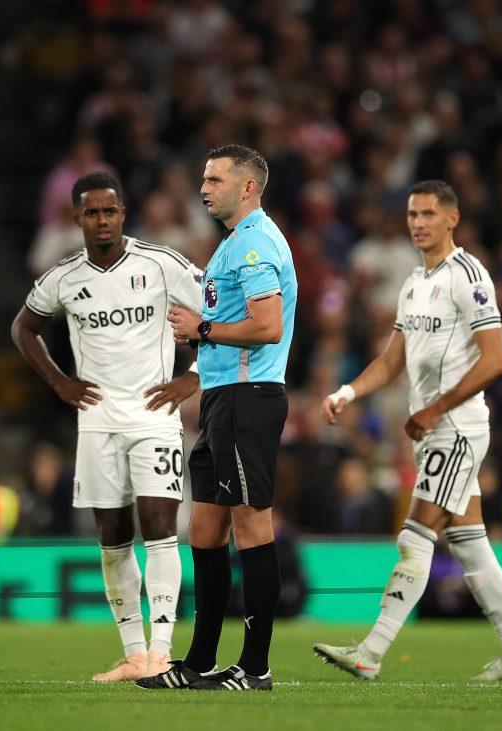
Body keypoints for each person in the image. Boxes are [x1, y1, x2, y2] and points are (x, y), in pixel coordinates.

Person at [313, 181, 502, 682]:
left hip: (456, 427)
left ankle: (370, 652)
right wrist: (348, 392)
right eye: (412, 214)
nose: (418, 223)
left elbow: (497, 358)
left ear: (452, 219)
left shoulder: (468, 275)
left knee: (414, 536)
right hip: (439, 429)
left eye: (429, 214)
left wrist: (436, 409)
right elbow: (393, 358)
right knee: (469, 540)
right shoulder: (414, 281)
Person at [11, 171, 202, 682]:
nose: (102, 220)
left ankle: (161, 651)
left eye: (110, 211)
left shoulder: (161, 264)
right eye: (91, 212)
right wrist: (59, 382)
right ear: (76, 219)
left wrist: (193, 379)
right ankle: (134, 655)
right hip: (96, 422)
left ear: (124, 213)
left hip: (154, 418)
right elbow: (23, 328)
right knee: (112, 537)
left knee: (161, 530)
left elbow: (221, 312)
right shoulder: (65, 276)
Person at [137, 144, 297, 692]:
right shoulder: (235, 244)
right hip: (223, 398)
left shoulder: (253, 245)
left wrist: (200, 328)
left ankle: (255, 668)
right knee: (205, 528)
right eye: (203, 178)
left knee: (252, 523)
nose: (204, 188)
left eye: (215, 179)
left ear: (247, 187)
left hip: (249, 398)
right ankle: (201, 661)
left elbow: (267, 326)